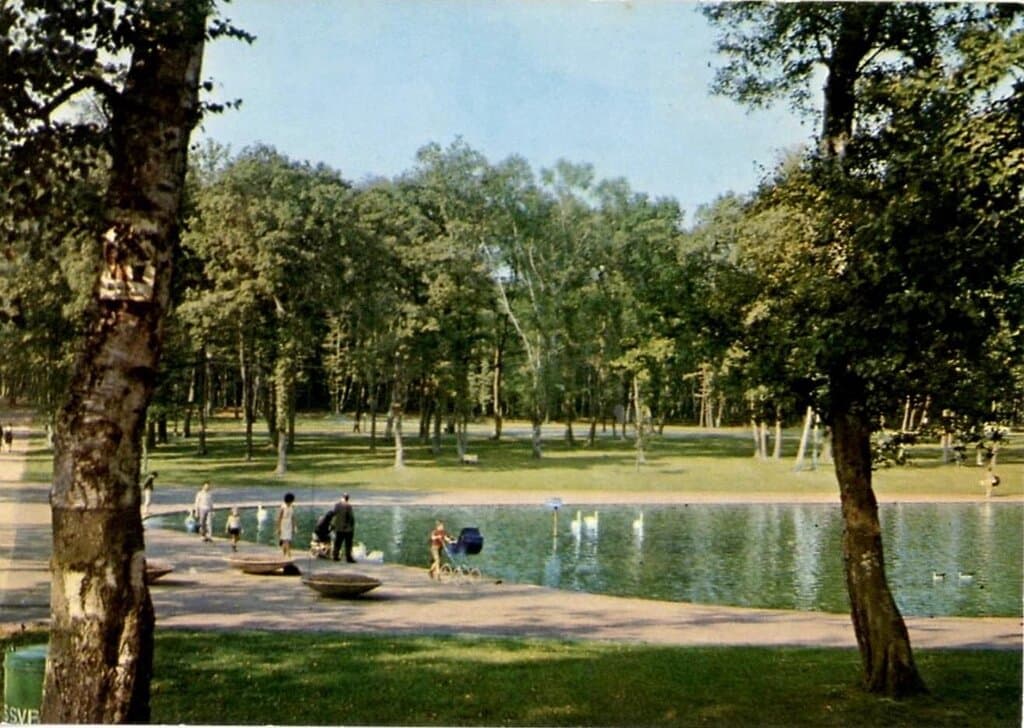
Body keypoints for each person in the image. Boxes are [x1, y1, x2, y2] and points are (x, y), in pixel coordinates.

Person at [332, 493, 356, 562]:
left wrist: (333, 525)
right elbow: (351, 517)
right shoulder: (348, 506)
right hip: (347, 529)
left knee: (337, 543)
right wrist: (352, 526)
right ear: (347, 498)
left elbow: (334, 515)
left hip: (338, 528)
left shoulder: (337, 505)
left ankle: (335, 556)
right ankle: (348, 558)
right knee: (348, 544)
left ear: (342, 497)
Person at [276, 493, 297, 557]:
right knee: (286, 540)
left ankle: (284, 555)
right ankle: (289, 554)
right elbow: (279, 518)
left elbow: (293, 517)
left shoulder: (291, 507)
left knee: (286, 541)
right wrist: (278, 528)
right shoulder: (283, 507)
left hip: (289, 525)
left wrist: (294, 527)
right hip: (283, 525)